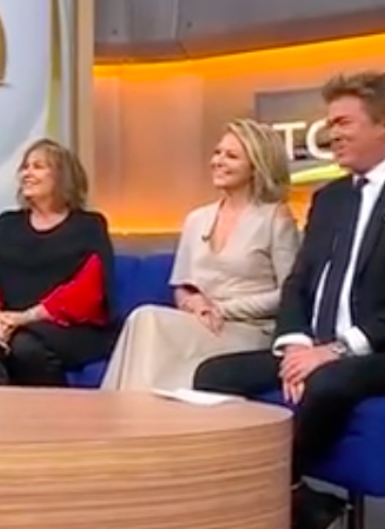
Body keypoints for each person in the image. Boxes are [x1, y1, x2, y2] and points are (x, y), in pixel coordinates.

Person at [193, 71, 385, 529]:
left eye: (343, 123)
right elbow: (299, 282)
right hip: (319, 347)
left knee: (329, 381)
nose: (331, 134)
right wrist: (296, 342)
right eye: (329, 124)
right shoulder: (331, 198)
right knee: (213, 375)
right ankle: (305, 501)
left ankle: (256, 497)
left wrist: (339, 349)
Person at [102, 119, 300, 391]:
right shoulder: (197, 219)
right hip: (201, 323)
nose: (218, 161)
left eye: (231, 156)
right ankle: (135, 410)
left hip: (250, 331)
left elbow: (290, 293)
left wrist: (221, 309)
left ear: (257, 166)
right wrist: (193, 303)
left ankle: (128, 411)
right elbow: (183, 287)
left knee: (149, 320)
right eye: (217, 153)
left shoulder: (275, 218)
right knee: (143, 318)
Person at [0, 138, 120, 386]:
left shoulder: (89, 226)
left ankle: (50, 410)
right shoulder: (6, 224)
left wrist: (24, 318)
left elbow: (85, 292)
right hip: (5, 323)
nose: (27, 173)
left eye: (38, 166)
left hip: (64, 326)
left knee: (25, 347)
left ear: (61, 177)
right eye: (25, 167)